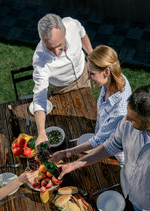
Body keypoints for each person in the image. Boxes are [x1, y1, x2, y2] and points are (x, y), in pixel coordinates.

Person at [57, 85, 150, 211]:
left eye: (131, 118)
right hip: (123, 186)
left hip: (145, 208)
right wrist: (74, 164)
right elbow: (110, 146)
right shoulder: (131, 119)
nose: (126, 119)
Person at [51, 45, 131, 164]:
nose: (88, 77)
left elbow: (98, 141)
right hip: (100, 136)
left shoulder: (120, 110)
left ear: (106, 72)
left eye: (92, 73)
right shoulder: (113, 80)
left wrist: (65, 153)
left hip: (115, 153)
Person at [33, 13, 93, 147]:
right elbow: (39, 98)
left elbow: (82, 33)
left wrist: (91, 54)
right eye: (50, 48)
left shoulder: (71, 24)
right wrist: (41, 132)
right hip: (61, 89)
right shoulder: (40, 59)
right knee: (69, 124)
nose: (55, 52)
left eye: (59, 45)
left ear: (64, 31)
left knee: (88, 116)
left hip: (83, 75)